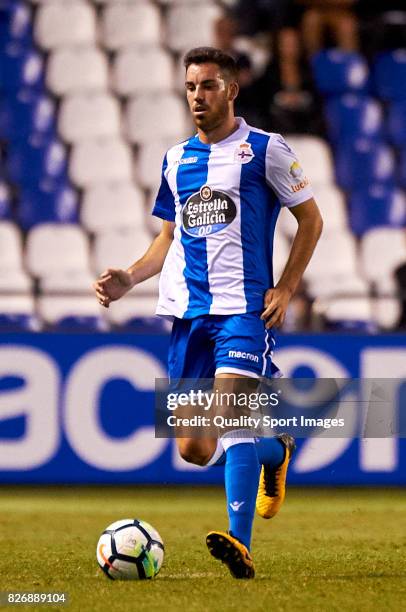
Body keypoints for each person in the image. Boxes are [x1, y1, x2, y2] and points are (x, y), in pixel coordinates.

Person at [93, 47, 323, 579]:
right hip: (190, 316)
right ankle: (274, 452)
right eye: (192, 86)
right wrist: (130, 277)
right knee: (195, 448)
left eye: (209, 85)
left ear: (232, 90)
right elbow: (167, 239)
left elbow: (310, 220)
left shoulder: (265, 149)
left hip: (245, 312)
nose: (199, 95)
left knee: (230, 419)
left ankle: (240, 547)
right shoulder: (176, 160)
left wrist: (286, 288)